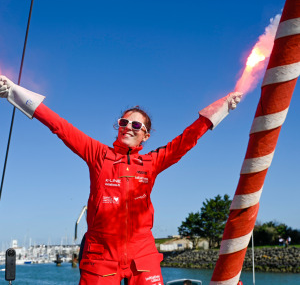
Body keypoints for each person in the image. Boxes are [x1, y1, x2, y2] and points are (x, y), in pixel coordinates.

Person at [0, 75, 242, 285]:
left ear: (145, 136)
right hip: (101, 256)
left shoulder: (152, 162)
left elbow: (186, 140)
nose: (128, 127)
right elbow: (59, 125)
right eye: (123, 122)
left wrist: (221, 108)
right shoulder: (98, 154)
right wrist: (13, 91)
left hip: (143, 254)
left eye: (136, 125)